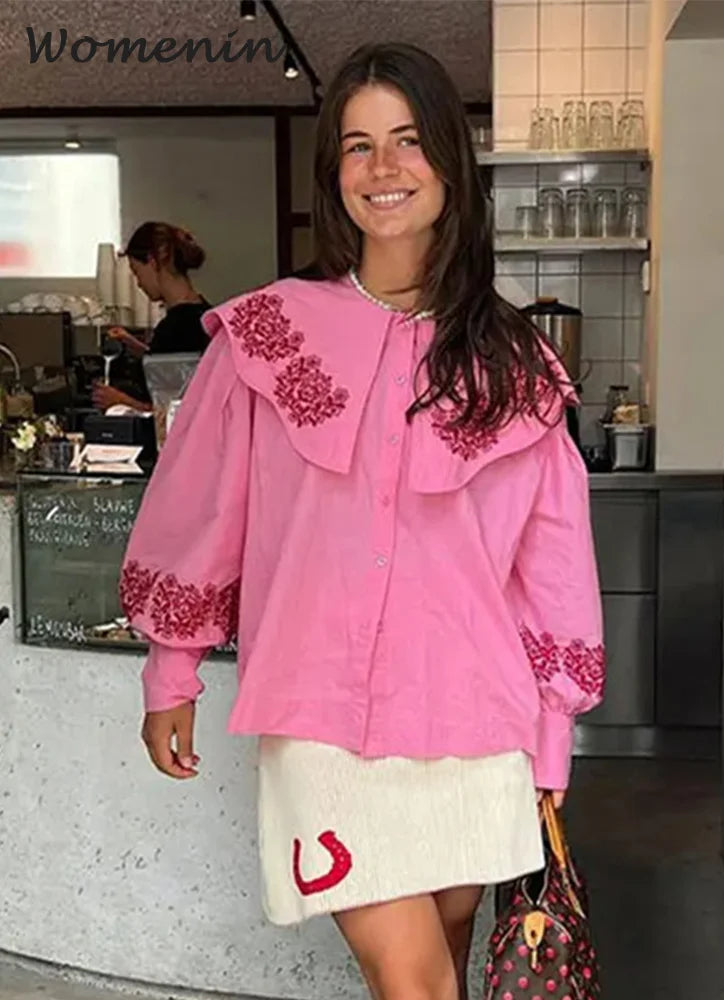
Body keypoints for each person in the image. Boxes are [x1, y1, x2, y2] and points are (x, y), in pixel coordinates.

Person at [118, 43, 605, 1000]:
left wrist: (553, 730)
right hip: (320, 713)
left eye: (409, 140)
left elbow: (551, 565)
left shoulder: (516, 364)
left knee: (441, 966)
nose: (384, 167)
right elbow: (202, 508)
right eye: (357, 145)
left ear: (451, 162)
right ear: (332, 171)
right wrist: (171, 665)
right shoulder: (268, 334)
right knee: (415, 981)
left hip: (473, 716)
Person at [92, 222, 211, 413]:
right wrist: (140, 348)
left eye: (136, 272)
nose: (139, 283)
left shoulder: (175, 329)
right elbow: (177, 368)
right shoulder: (205, 315)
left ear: (152, 261)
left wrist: (120, 402)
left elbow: (173, 413)